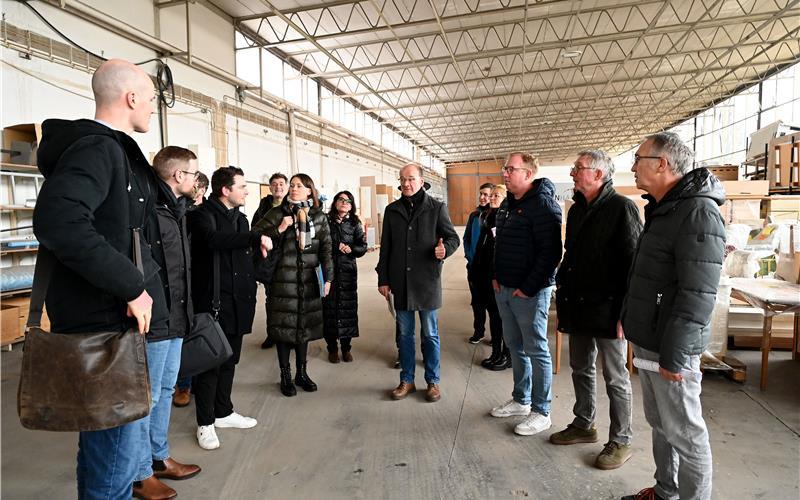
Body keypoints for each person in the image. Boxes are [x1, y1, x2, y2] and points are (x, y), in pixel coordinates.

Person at [32, 58, 169, 499]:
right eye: (151, 99)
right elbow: (60, 222)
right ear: (131, 98)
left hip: (114, 322)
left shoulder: (109, 149)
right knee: (113, 459)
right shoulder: (98, 149)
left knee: (106, 453)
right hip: (106, 326)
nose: (152, 107)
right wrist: (132, 285)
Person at [620, 132, 725, 500]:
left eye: (638, 159)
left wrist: (676, 353)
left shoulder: (698, 212)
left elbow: (698, 294)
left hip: (671, 345)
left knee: (687, 434)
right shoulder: (665, 207)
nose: (633, 167)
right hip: (650, 337)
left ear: (662, 164)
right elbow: (649, 277)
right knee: (661, 424)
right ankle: (666, 490)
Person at [550, 150, 642, 471]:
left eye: (579, 168)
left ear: (599, 175)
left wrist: (625, 312)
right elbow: (571, 257)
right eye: (574, 167)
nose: (574, 172)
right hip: (578, 305)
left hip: (609, 308)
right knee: (580, 367)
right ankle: (584, 423)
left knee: (615, 376)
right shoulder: (576, 210)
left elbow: (634, 265)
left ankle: (621, 439)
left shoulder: (622, 209)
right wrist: (562, 300)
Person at [135, 146, 203, 499]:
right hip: (158, 317)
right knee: (149, 395)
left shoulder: (176, 209)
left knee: (163, 391)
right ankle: (140, 471)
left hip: (176, 315)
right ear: (179, 176)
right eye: (193, 173)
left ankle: (158, 457)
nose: (195, 179)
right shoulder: (150, 210)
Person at [187, 166, 270, 450]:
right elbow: (212, 241)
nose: (247, 191)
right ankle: (205, 423)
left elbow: (242, 257)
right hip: (213, 303)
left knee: (230, 360)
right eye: (242, 186)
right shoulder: (201, 217)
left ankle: (223, 412)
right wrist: (254, 238)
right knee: (210, 363)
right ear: (226, 190)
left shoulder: (242, 220)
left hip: (238, 301)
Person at [489, 152, 562, 436]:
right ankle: (521, 399)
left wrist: (528, 287)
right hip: (505, 289)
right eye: (505, 169)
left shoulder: (543, 205)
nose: (505, 174)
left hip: (529, 293)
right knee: (515, 346)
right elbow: (501, 245)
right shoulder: (507, 203)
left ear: (528, 173)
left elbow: (551, 254)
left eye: (510, 169)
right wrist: (496, 276)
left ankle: (541, 411)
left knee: (536, 349)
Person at [377, 163, 459, 403]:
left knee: (430, 334)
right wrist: (383, 278)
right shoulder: (392, 211)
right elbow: (386, 249)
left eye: (411, 179)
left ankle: (433, 381)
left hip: (426, 282)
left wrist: (445, 250)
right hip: (400, 282)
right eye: (403, 179)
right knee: (404, 334)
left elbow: (453, 237)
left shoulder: (436, 208)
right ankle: (407, 380)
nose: (406, 184)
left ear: (422, 181)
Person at [253, 174, 333, 397]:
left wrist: (328, 278)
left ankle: (302, 373)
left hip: (308, 279)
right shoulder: (278, 213)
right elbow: (255, 234)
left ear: (310, 191)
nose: (294, 188)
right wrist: (279, 228)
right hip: (283, 280)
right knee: (284, 328)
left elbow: (326, 249)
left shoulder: (318, 216)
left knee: (303, 328)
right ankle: (285, 375)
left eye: (300, 185)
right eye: (293, 185)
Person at [173, 170, 209, 409]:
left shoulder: (207, 213)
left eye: (197, 186)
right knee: (184, 332)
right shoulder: (180, 211)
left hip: (203, 278)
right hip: (182, 278)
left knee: (201, 330)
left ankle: (198, 380)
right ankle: (183, 383)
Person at [323, 190, 368, 363]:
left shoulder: (355, 223)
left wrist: (352, 249)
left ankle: (346, 348)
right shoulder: (326, 221)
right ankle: (332, 349)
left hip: (348, 272)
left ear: (351, 205)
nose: (344, 203)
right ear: (335, 202)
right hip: (330, 271)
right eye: (341, 200)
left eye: (348, 201)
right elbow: (320, 243)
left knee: (347, 310)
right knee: (329, 310)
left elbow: (363, 246)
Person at [470, 184, 509, 370]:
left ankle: (503, 354)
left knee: (499, 317)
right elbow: (481, 247)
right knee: (494, 315)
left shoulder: (504, 218)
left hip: (495, 276)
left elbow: (499, 251)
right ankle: (496, 353)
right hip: (483, 274)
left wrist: (495, 275)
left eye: (496, 196)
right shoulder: (488, 216)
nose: (492, 198)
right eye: (491, 195)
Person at [253, 173, 289, 349]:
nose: (278, 187)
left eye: (281, 184)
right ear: (270, 187)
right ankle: (272, 334)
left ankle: (288, 335)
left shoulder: (292, 206)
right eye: (274, 184)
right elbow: (256, 230)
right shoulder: (263, 207)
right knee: (271, 299)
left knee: (288, 299)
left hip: (288, 259)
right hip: (270, 258)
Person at [463, 182, 494, 344]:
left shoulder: (495, 216)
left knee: (492, 304)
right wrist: (470, 256)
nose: (482, 197)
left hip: (489, 269)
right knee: (477, 301)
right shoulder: (474, 216)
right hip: (474, 266)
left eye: (486, 195)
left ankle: (496, 336)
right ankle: (479, 331)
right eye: (481, 194)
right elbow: (466, 238)